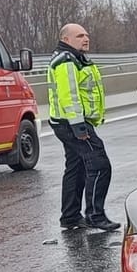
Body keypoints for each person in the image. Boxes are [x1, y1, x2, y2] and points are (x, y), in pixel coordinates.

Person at [47, 23, 118, 231]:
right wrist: (79, 127)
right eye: (79, 36)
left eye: (86, 35)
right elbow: (69, 95)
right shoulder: (67, 61)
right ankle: (95, 215)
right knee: (99, 165)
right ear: (66, 39)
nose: (86, 38)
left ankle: (70, 216)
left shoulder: (76, 59)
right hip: (72, 123)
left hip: (66, 122)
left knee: (76, 167)